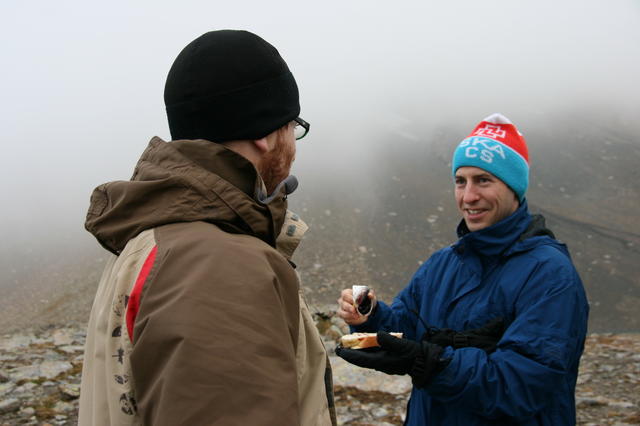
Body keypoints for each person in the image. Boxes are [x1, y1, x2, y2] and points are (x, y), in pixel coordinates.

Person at [79, 30, 335, 426]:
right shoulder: (220, 264)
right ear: (264, 133)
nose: (294, 145)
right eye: (292, 126)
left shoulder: (153, 238)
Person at [336, 113, 589, 425]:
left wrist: (431, 362)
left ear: (514, 188)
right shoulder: (441, 265)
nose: (469, 197)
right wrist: (371, 318)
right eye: (461, 181)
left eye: (484, 180)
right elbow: (404, 330)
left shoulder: (549, 274)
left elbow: (521, 385)